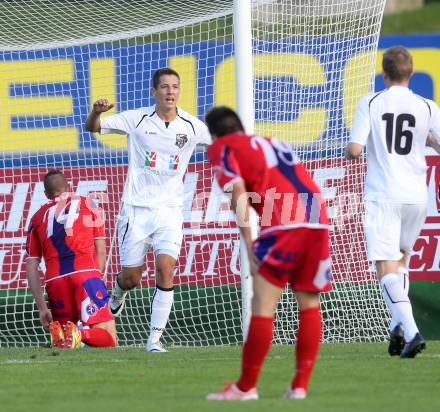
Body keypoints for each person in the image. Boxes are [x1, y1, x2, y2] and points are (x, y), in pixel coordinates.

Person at [204, 107, 332, 400]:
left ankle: (245, 388)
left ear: (214, 134)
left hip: (285, 221)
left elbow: (238, 194)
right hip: (316, 216)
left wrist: (249, 243)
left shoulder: (223, 147)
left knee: (262, 303)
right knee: (309, 304)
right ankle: (299, 387)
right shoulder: (273, 141)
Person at [85, 68, 211, 352]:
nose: (170, 92)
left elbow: (223, 145)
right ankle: (117, 293)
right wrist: (96, 112)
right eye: (164, 87)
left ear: (180, 91)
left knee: (166, 268)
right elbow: (93, 127)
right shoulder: (137, 119)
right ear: (154, 91)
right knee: (131, 278)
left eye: (175, 87)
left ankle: (154, 340)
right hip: (136, 210)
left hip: (169, 210)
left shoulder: (192, 126)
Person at [346, 46, 440, 358]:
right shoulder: (427, 106)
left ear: (383, 74)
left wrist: (361, 144)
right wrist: (426, 140)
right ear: (411, 73)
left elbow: (356, 150)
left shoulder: (371, 102)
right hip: (416, 196)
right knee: (400, 262)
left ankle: (412, 333)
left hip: (384, 195)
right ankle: (397, 328)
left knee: (385, 267)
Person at [26, 170, 117, 348]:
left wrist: (42, 307)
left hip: (55, 281)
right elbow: (101, 249)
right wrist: (96, 279)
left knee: (64, 342)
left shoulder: (36, 218)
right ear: (70, 187)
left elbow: (31, 266)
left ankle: (66, 334)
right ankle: (79, 333)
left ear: (46, 194)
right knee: (108, 336)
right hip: (86, 275)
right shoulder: (89, 204)